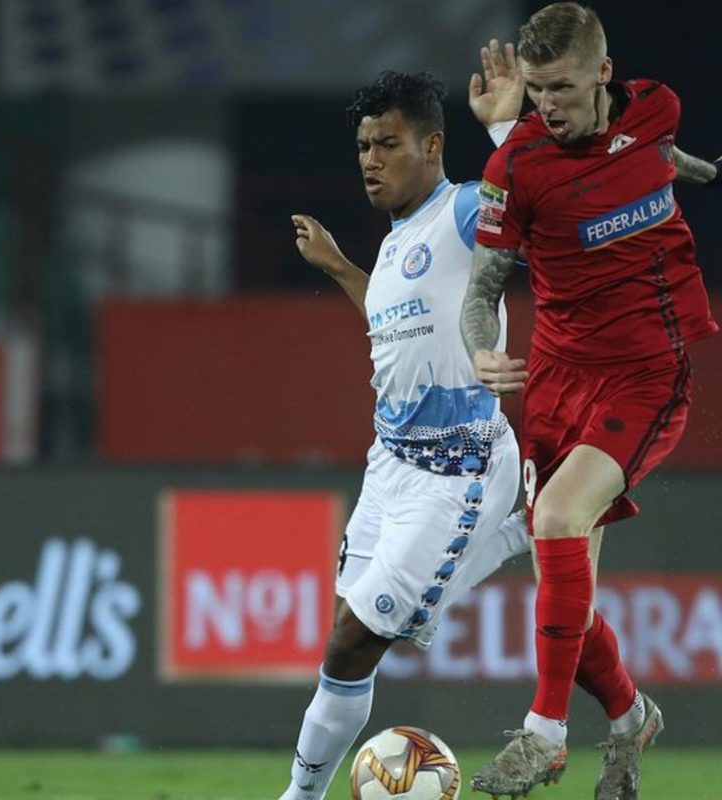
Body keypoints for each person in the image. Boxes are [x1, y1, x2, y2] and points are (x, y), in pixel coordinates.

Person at [460, 4, 720, 800]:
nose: (547, 105)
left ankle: (543, 736)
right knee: (566, 589)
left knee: (557, 519)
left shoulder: (657, 108)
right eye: (536, 90)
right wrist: (481, 352)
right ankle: (632, 717)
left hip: (646, 374)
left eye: (563, 88)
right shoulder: (514, 169)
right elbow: (481, 294)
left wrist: (705, 172)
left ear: (604, 74)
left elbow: (655, 155)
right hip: (555, 381)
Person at [276, 50, 535, 800]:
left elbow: (532, 203)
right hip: (389, 462)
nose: (371, 159)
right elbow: (392, 327)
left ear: (432, 144)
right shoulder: (395, 242)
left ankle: (299, 796)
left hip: (455, 470)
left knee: (354, 642)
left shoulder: (463, 211)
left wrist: (508, 129)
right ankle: (513, 533)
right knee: (346, 632)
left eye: (388, 143)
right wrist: (339, 268)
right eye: (364, 146)